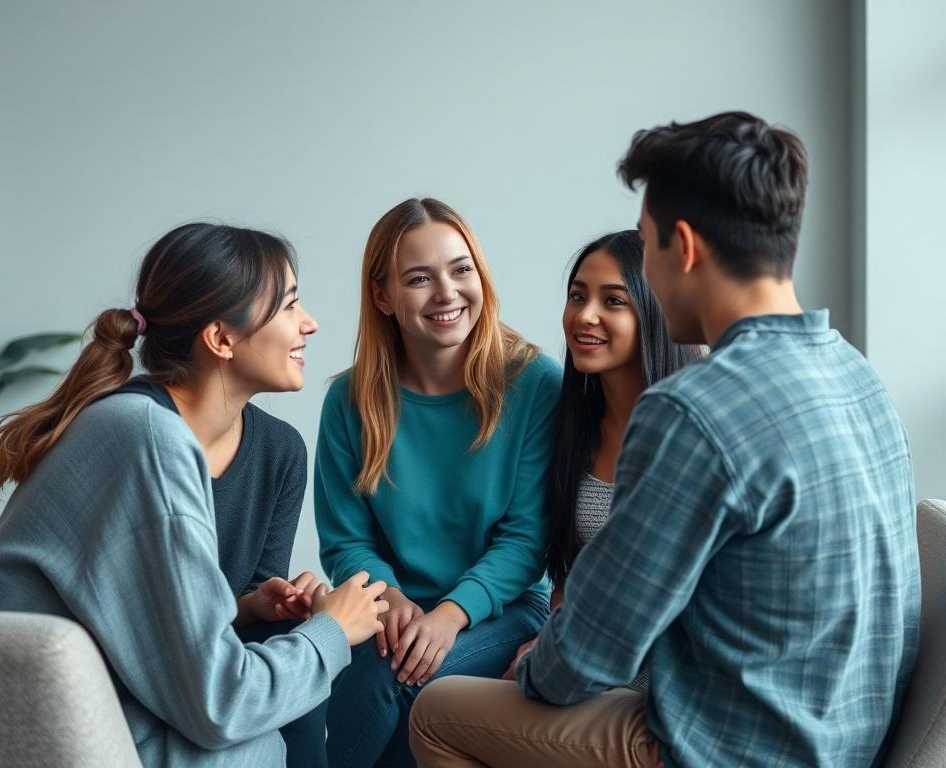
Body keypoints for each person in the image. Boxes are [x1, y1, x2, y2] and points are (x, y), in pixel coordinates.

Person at [410, 112, 920, 768]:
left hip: (725, 749)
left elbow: (593, 651)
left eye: (646, 246)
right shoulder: (858, 375)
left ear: (682, 246)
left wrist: (534, 670)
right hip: (853, 744)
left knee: (440, 711)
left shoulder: (692, 408)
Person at [0, 222, 389, 768]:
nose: (309, 324)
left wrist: (248, 608)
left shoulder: (257, 448)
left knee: (290, 666)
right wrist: (333, 630)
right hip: (44, 728)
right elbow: (219, 704)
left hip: (113, 701)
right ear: (221, 339)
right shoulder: (144, 435)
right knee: (270, 725)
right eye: (288, 306)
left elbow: (167, 633)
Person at [315, 198, 561, 767]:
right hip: (393, 611)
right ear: (383, 297)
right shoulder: (349, 401)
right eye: (419, 279)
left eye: (461, 269)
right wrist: (393, 599)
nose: (447, 293)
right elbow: (346, 540)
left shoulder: (535, 383)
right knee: (363, 678)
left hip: (501, 611)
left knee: (398, 684)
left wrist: (449, 615)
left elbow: (527, 540)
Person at [501, 230, 703, 690]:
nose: (584, 315)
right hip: (578, 669)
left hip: (661, 689)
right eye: (577, 296)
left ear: (655, 312)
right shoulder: (572, 427)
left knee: (439, 713)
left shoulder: (689, 429)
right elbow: (569, 577)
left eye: (613, 301)